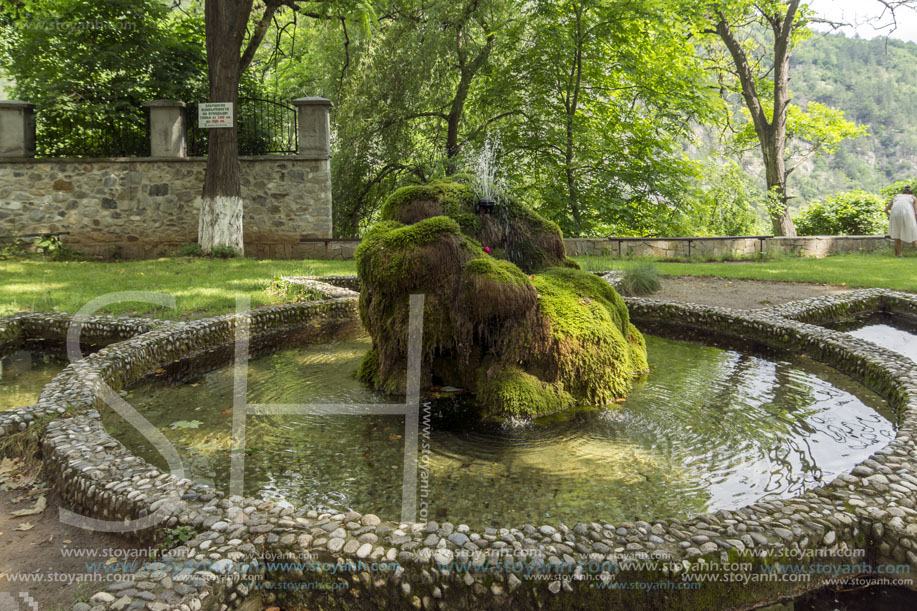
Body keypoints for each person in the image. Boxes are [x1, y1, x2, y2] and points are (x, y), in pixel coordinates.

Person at [885, 185, 917, 257]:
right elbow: (916, 213)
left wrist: (892, 216)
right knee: (914, 233)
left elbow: (886, 210)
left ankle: (899, 255)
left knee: (897, 235)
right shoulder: (913, 198)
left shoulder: (896, 196)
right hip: (908, 213)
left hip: (894, 214)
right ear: (911, 193)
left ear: (903, 193)